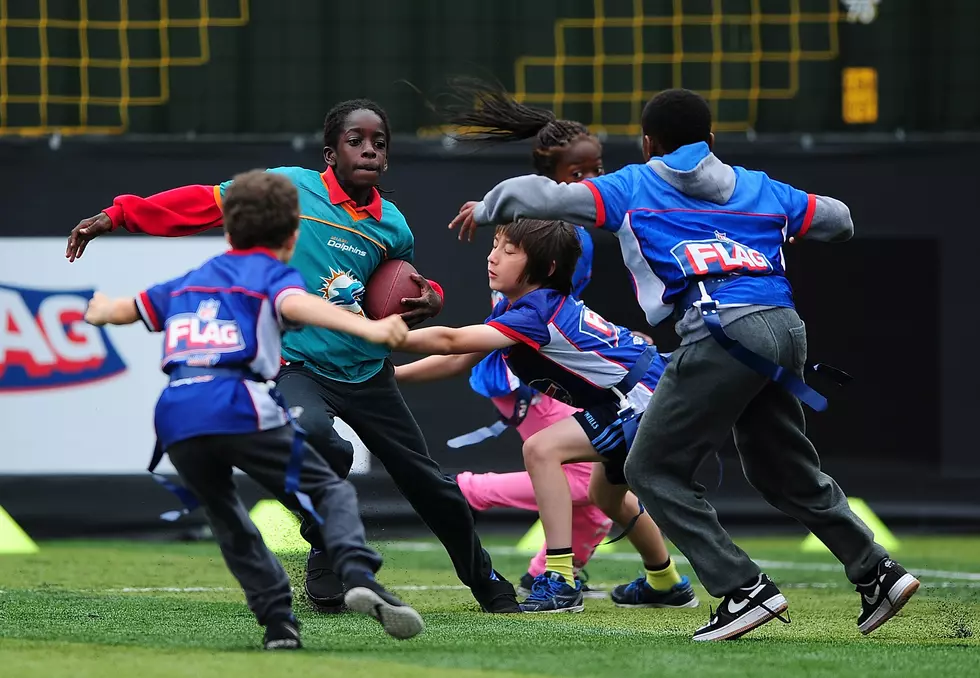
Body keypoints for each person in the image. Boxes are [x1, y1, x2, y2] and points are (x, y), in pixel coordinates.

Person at [447, 88, 919, 639]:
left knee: (650, 469)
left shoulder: (633, 185)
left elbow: (541, 197)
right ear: (712, 139)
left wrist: (486, 210)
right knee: (784, 469)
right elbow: (840, 221)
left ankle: (743, 589)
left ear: (648, 143)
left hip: (720, 330)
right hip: (786, 328)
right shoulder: (758, 187)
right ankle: (877, 571)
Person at [65, 99, 520, 614]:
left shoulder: (393, 224)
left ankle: (486, 582)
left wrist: (431, 295)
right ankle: (326, 543)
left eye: (379, 142)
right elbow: (202, 203)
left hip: (366, 369)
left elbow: (398, 284)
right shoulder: (288, 188)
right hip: (297, 362)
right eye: (356, 140)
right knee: (316, 441)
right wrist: (120, 214)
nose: (369, 149)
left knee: (429, 484)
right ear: (331, 152)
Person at [83, 170, 424, 650]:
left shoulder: (193, 279)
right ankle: (357, 572)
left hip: (177, 415)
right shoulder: (272, 274)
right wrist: (371, 330)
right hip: (236, 402)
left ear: (227, 231)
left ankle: (279, 626)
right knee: (330, 490)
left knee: (230, 521)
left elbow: (125, 310)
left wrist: (99, 309)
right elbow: (300, 305)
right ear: (291, 237)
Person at [396, 218, 698, 614]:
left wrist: (372, 332)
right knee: (603, 495)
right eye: (495, 245)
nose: (492, 257)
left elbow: (451, 340)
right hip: (636, 394)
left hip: (643, 397)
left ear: (547, 268)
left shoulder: (534, 313)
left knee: (543, 450)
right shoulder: (516, 305)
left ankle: (559, 580)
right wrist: (389, 375)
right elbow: (458, 359)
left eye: (508, 251)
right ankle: (666, 582)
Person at [438, 78, 611, 593]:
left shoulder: (540, 225)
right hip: (537, 369)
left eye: (597, 170)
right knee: (581, 476)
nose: (591, 182)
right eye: (577, 174)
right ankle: (469, 493)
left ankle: (634, 577)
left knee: (606, 492)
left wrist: (490, 207)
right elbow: (456, 346)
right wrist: (493, 209)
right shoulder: (561, 235)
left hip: (541, 359)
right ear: (547, 179)